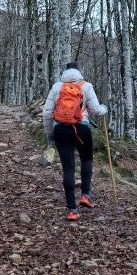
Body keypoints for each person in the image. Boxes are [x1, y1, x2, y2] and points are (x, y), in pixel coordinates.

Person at [43, 61, 107, 221]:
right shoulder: (86, 86)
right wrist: (104, 108)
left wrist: (50, 134)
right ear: (79, 71)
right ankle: (85, 195)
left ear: (64, 72)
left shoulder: (57, 87)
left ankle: (72, 210)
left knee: (68, 169)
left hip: (61, 129)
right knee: (86, 160)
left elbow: (47, 112)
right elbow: (97, 111)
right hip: (82, 128)